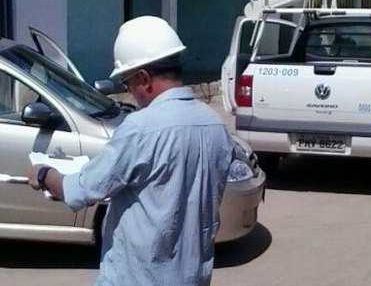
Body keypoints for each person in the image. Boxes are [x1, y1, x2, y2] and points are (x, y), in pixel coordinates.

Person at [28, 16, 234, 286]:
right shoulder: (214, 124)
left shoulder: (140, 128)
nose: (129, 92)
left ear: (145, 78)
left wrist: (44, 173)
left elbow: (83, 190)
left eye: (127, 83)